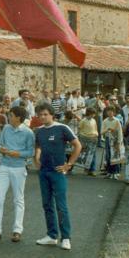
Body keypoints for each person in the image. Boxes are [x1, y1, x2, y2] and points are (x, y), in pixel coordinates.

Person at [34, 103, 82, 250]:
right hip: (44, 172)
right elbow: (38, 146)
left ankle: (66, 238)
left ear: (52, 115)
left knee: (61, 206)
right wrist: (36, 159)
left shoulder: (62, 128)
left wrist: (69, 164)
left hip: (58, 172)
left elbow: (78, 145)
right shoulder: (39, 131)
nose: (42, 117)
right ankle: (51, 236)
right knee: (47, 204)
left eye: (45, 114)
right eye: (40, 115)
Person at [0, 106, 35, 242]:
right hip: (4, 166)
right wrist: (1, 149)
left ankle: (17, 230)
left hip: (19, 168)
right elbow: (0, 144)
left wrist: (17, 154)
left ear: (18, 118)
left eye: (11, 115)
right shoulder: (6, 128)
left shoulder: (28, 133)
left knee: (18, 199)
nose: (9, 117)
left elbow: (31, 152)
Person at [102, 105, 124, 179]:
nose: (110, 113)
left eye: (111, 111)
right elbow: (102, 131)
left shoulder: (117, 121)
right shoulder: (105, 121)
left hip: (115, 140)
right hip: (108, 139)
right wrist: (107, 130)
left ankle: (115, 172)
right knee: (108, 156)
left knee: (115, 156)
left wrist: (119, 142)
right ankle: (109, 172)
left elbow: (120, 132)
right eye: (108, 111)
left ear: (114, 112)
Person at [78, 107, 99, 176]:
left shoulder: (94, 120)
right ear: (89, 113)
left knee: (93, 155)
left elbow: (96, 129)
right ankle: (86, 168)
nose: (94, 115)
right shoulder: (83, 121)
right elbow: (79, 130)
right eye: (92, 114)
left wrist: (96, 135)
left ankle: (92, 170)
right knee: (85, 155)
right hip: (85, 139)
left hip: (93, 139)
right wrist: (81, 140)